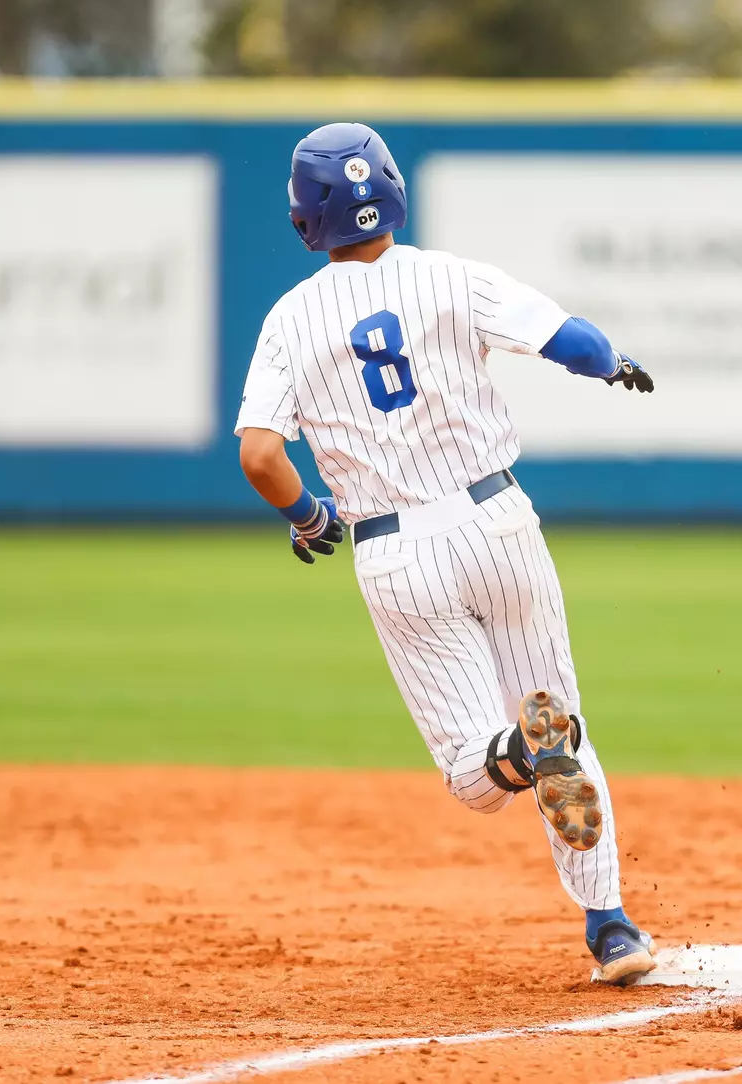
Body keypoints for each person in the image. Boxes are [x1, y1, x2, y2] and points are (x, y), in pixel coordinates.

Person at [235, 122, 658, 984]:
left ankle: (516, 752)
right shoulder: (453, 278)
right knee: (565, 726)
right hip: (500, 524)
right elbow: (570, 342)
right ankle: (611, 928)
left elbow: (259, 454)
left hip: (398, 555)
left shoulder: (289, 320)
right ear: (391, 192)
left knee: (476, 776)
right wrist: (614, 363)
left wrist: (311, 516)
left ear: (303, 220)